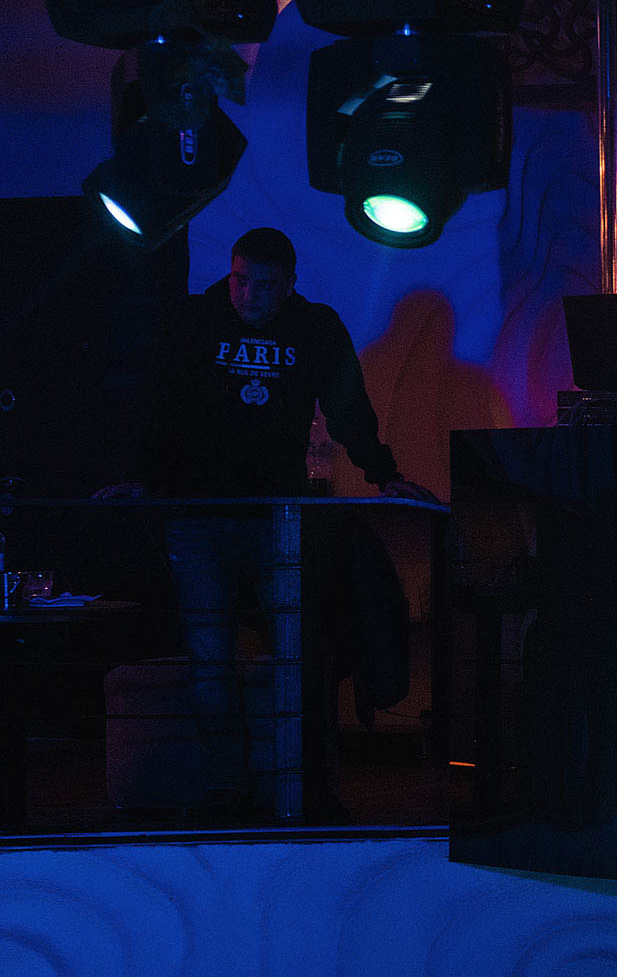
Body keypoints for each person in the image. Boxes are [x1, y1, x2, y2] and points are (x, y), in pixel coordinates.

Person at [96, 227, 436, 815]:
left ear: (289, 285)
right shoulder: (196, 320)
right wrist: (143, 477)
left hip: (276, 517)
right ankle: (229, 793)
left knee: (297, 656)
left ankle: (299, 788)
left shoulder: (314, 327)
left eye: (263, 285)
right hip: (198, 514)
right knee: (212, 663)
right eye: (239, 280)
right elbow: (163, 408)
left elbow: (349, 410)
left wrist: (385, 475)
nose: (248, 295)